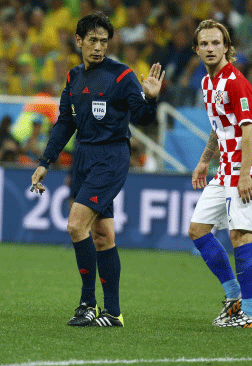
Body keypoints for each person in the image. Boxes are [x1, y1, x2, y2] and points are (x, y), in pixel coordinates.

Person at [30, 11, 164, 327]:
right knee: (102, 236)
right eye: (93, 40)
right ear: (79, 41)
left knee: (76, 225)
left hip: (112, 157)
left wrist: (152, 98)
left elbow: (143, 117)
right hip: (84, 160)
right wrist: (44, 162)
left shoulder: (121, 76)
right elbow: (65, 123)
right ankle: (113, 313)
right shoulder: (73, 77)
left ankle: (88, 303)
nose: (99, 47)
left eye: (104, 41)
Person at [188, 20, 252, 328]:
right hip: (224, 170)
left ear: (226, 47)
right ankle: (234, 298)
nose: (210, 48)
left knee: (240, 235)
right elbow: (219, 127)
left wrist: (245, 174)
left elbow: (248, 129)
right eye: (204, 44)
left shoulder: (236, 82)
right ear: (197, 49)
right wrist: (203, 161)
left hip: (245, 170)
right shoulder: (208, 83)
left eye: (215, 43)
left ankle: (250, 314)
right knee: (197, 230)